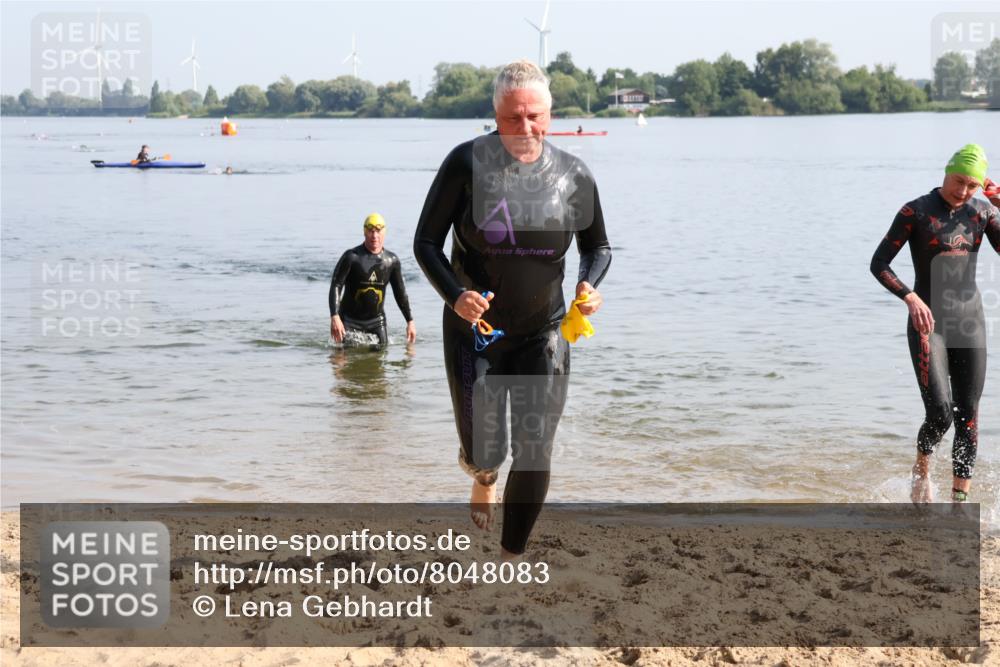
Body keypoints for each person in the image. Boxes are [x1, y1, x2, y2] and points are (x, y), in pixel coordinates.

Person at [414, 60, 612, 559]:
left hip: (545, 330)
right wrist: (454, 294)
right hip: (474, 332)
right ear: (495, 114)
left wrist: (590, 283)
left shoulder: (574, 175)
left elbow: (600, 247)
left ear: (549, 113)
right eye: (512, 118)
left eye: (535, 117)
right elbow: (426, 243)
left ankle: (511, 555)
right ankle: (482, 474)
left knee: (534, 447)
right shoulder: (466, 165)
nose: (525, 129)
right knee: (488, 450)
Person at [870, 144, 1000, 504]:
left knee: (969, 415)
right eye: (959, 181)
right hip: (929, 324)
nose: (963, 191)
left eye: (972, 185)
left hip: (970, 322)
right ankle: (922, 470)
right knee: (941, 414)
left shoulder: (983, 211)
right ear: (947, 171)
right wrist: (910, 298)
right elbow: (879, 263)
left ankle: (960, 504)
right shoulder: (916, 211)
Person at [329, 213, 416, 349]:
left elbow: (400, 293)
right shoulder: (352, 257)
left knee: (381, 356)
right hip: (349, 319)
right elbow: (336, 285)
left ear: (384, 232)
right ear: (364, 232)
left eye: (378, 231)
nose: (374, 236)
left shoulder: (391, 261)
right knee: (343, 361)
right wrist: (335, 317)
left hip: (376, 321)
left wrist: (410, 321)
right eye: (370, 231)